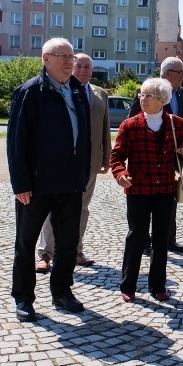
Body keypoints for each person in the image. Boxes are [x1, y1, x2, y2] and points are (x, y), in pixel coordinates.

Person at [7, 38, 91, 322]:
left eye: (71, 57)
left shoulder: (77, 90)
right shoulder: (30, 92)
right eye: (62, 56)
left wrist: (82, 174)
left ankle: (62, 291)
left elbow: (85, 137)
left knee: (68, 243)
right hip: (36, 184)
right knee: (26, 242)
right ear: (45, 59)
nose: (69, 62)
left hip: (70, 182)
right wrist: (20, 183)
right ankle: (23, 298)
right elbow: (16, 141)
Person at [110, 78, 183, 303]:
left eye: (148, 96)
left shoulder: (175, 123)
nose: (142, 99)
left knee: (161, 238)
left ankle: (158, 286)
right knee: (136, 236)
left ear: (163, 100)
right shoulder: (130, 125)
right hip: (138, 189)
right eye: (141, 95)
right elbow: (116, 156)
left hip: (166, 188)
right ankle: (128, 285)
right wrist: (120, 174)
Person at [35, 54, 111, 272]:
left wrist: (106, 157)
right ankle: (45, 253)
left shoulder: (100, 94)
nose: (83, 70)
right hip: (62, 161)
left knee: (82, 208)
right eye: (79, 66)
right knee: (53, 208)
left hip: (90, 162)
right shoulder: (61, 90)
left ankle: (76, 250)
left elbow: (105, 127)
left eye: (87, 67)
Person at [128, 56, 183, 254]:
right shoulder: (146, 92)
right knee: (144, 205)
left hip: (172, 160)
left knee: (170, 201)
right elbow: (133, 120)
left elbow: (179, 128)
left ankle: (169, 239)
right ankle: (144, 242)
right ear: (167, 73)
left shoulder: (181, 93)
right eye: (180, 72)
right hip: (148, 160)